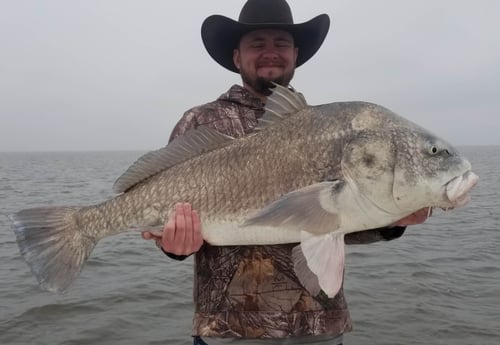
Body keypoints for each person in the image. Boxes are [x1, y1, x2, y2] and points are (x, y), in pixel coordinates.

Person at [142, 1, 430, 344]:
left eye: (280, 43)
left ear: (295, 54)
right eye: (257, 44)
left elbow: (335, 223)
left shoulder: (324, 131)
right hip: (230, 330)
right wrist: (175, 246)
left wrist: (391, 222)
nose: (271, 53)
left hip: (320, 326)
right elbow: (172, 227)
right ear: (237, 57)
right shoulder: (200, 122)